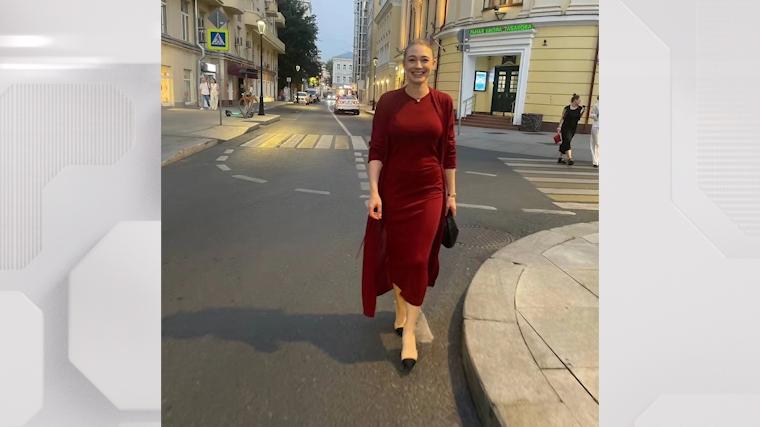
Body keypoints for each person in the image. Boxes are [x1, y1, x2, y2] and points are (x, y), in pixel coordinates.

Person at [362, 39, 457, 372]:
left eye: (424, 60)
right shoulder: (389, 102)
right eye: (413, 60)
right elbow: (376, 150)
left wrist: (452, 195)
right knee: (398, 254)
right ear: (405, 64)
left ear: (433, 63)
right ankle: (401, 307)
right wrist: (374, 192)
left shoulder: (443, 102)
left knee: (417, 259)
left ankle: (410, 335)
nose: (419, 65)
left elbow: (449, 151)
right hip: (395, 191)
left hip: (430, 191)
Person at [556, 94, 584, 166]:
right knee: (567, 141)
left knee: (565, 142)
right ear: (575, 100)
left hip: (573, 128)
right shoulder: (567, 108)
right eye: (579, 100)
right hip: (565, 127)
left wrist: (583, 111)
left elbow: (579, 118)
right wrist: (559, 127)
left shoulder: (580, 108)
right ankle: (570, 158)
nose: (580, 101)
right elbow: (562, 118)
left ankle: (560, 158)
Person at [589, 96, 599, 167]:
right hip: (596, 126)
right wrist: (596, 115)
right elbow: (591, 115)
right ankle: (595, 161)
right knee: (596, 144)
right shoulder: (596, 105)